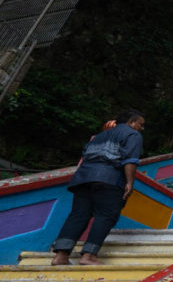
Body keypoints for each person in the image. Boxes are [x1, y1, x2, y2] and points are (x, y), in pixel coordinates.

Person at [51, 109, 145, 266]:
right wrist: (129, 182)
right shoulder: (133, 135)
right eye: (141, 124)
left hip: (83, 178)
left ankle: (61, 255)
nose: (142, 128)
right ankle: (89, 255)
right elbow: (130, 160)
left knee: (78, 215)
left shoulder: (99, 136)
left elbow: (84, 156)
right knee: (106, 215)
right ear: (131, 122)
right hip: (109, 178)